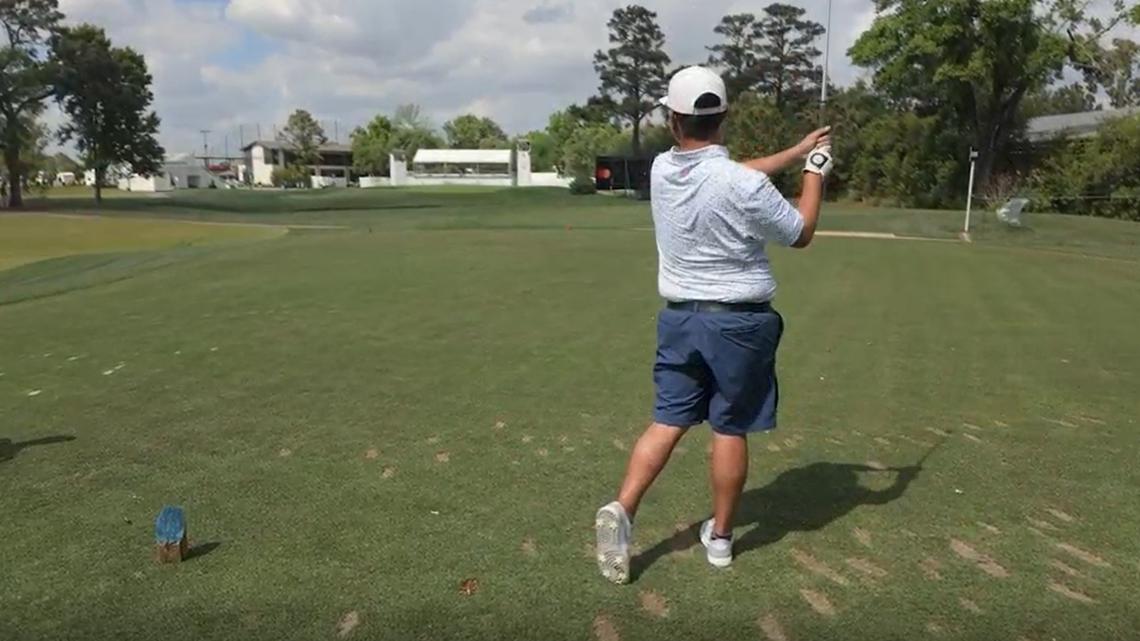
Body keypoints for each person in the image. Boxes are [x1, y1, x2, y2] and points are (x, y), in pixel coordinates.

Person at [595, 66, 835, 584]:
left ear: (673, 119)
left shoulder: (662, 169)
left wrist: (791, 153)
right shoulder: (743, 185)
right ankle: (721, 540)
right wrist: (813, 169)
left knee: (667, 420)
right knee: (729, 427)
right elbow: (801, 231)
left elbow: (726, 172)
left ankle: (624, 508)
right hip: (738, 326)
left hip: (680, 321)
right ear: (723, 117)